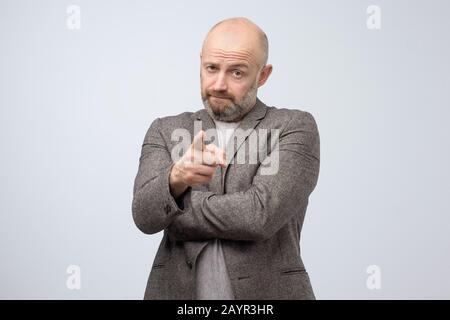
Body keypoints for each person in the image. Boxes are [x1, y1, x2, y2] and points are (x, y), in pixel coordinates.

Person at [132, 17, 320, 299]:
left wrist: (177, 205)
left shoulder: (294, 126)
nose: (219, 84)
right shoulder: (165, 130)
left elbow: (259, 216)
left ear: (263, 75)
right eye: (211, 68)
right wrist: (177, 177)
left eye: (237, 73)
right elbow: (145, 216)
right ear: (200, 64)